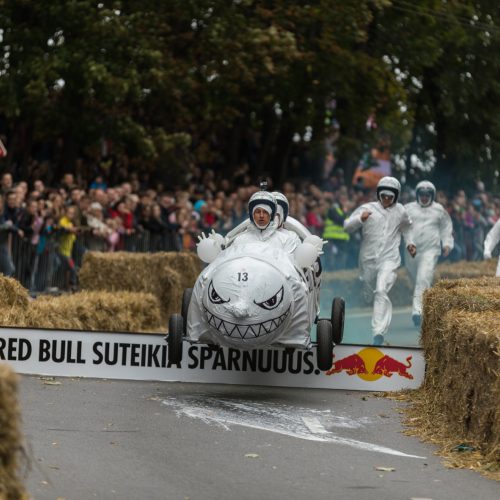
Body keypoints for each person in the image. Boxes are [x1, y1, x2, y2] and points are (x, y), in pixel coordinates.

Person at [343, 176, 416, 346]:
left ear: (396, 196)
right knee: (370, 287)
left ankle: (378, 332)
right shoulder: (367, 208)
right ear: (378, 194)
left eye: (390, 197)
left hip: (389, 259)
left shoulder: (401, 211)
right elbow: (347, 226)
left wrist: (410, 243)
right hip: (367, 260)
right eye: (384, 196)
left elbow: (407, 228)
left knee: (381, 290)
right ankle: (366, 288)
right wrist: (360, 219)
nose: (386, 200)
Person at [404, 181, 454, 326]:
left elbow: (446, 228)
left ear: (432, 195)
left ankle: (417, 312)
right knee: (417, 280)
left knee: (422, 279)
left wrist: (447, 244)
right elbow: (401, 226)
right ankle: (428, 306)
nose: (424, 197)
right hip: (411, 251)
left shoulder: (439, 210)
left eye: (427, 195)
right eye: (422, 194)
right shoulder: (408, 209)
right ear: (418, 194)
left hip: (430, 251)